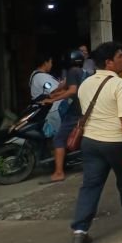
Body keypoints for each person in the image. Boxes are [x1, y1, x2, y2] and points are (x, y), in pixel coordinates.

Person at [70, 41, 122, 243]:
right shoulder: (120, 85)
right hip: (115, 141)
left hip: (90, 141)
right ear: (108, 62)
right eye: (120, 56)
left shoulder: (86, 84)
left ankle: (80, 229)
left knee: (90, 185)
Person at [44, 49, 85, 182]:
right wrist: (53, 94)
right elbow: (64, 85)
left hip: (75, 113)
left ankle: (59, 172)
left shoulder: (72, 71)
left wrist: (52, 100)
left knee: (59, 140)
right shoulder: (82, 71)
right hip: (82, 111)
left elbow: (72, 90)